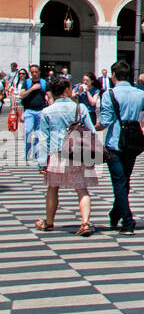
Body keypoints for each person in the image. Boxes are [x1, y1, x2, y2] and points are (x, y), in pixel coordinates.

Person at [34, 77, 99, 236]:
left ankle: (49, 222)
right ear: (66, 90)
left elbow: (43, 139)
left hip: (56, 153)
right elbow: (92, 132)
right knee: (81, 188)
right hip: (78, 153)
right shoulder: (80, 108)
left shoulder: (47, 111)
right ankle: (85, 223)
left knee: (52, 187)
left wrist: (42, 163)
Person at [96, 60, 144, 235]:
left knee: (119, 182)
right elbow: (143, 116)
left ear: (113, 75)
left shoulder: (109, 94)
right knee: (124, 181)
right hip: (132, 142)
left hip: (115, 143)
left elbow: (104, 122)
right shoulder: (139, 93)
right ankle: (115, 214)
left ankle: (128, 221)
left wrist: (90, 127)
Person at [19, 68, 49, 160]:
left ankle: (36, 154)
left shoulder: (44, 83)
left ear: (39, 72)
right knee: (28, 131)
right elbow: (22, 95)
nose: (34, 74)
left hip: (40, 111)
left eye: (36, 72)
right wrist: (32, 89)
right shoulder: (27, 82)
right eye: (32, 72)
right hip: (29, 110)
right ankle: (27, 152)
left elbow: (49, 96)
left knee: (38, 134)